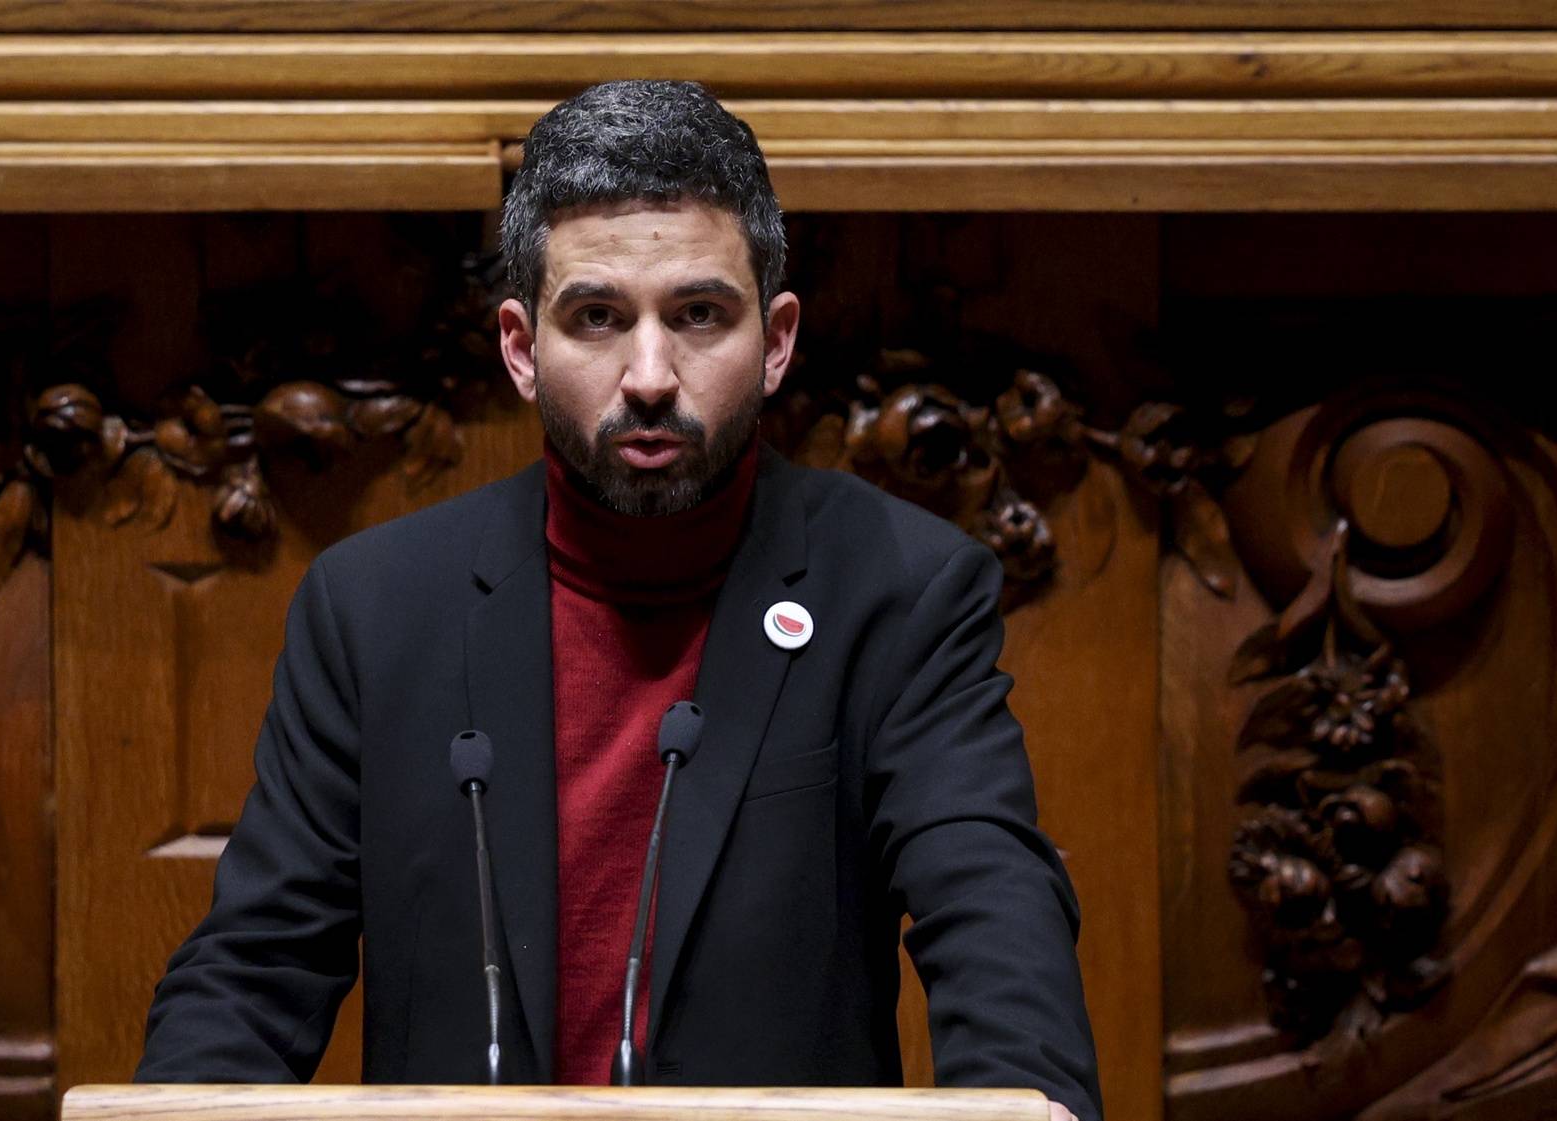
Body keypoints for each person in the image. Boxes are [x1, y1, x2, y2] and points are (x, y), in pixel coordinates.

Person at [133, 79, 1100, 1121]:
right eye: (596, 316)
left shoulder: (900, 588)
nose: (649, 373)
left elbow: (991, 914)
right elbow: (255, 967)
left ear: (774, 341)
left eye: (697, 314)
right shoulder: (372, 610)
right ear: (519, 347)